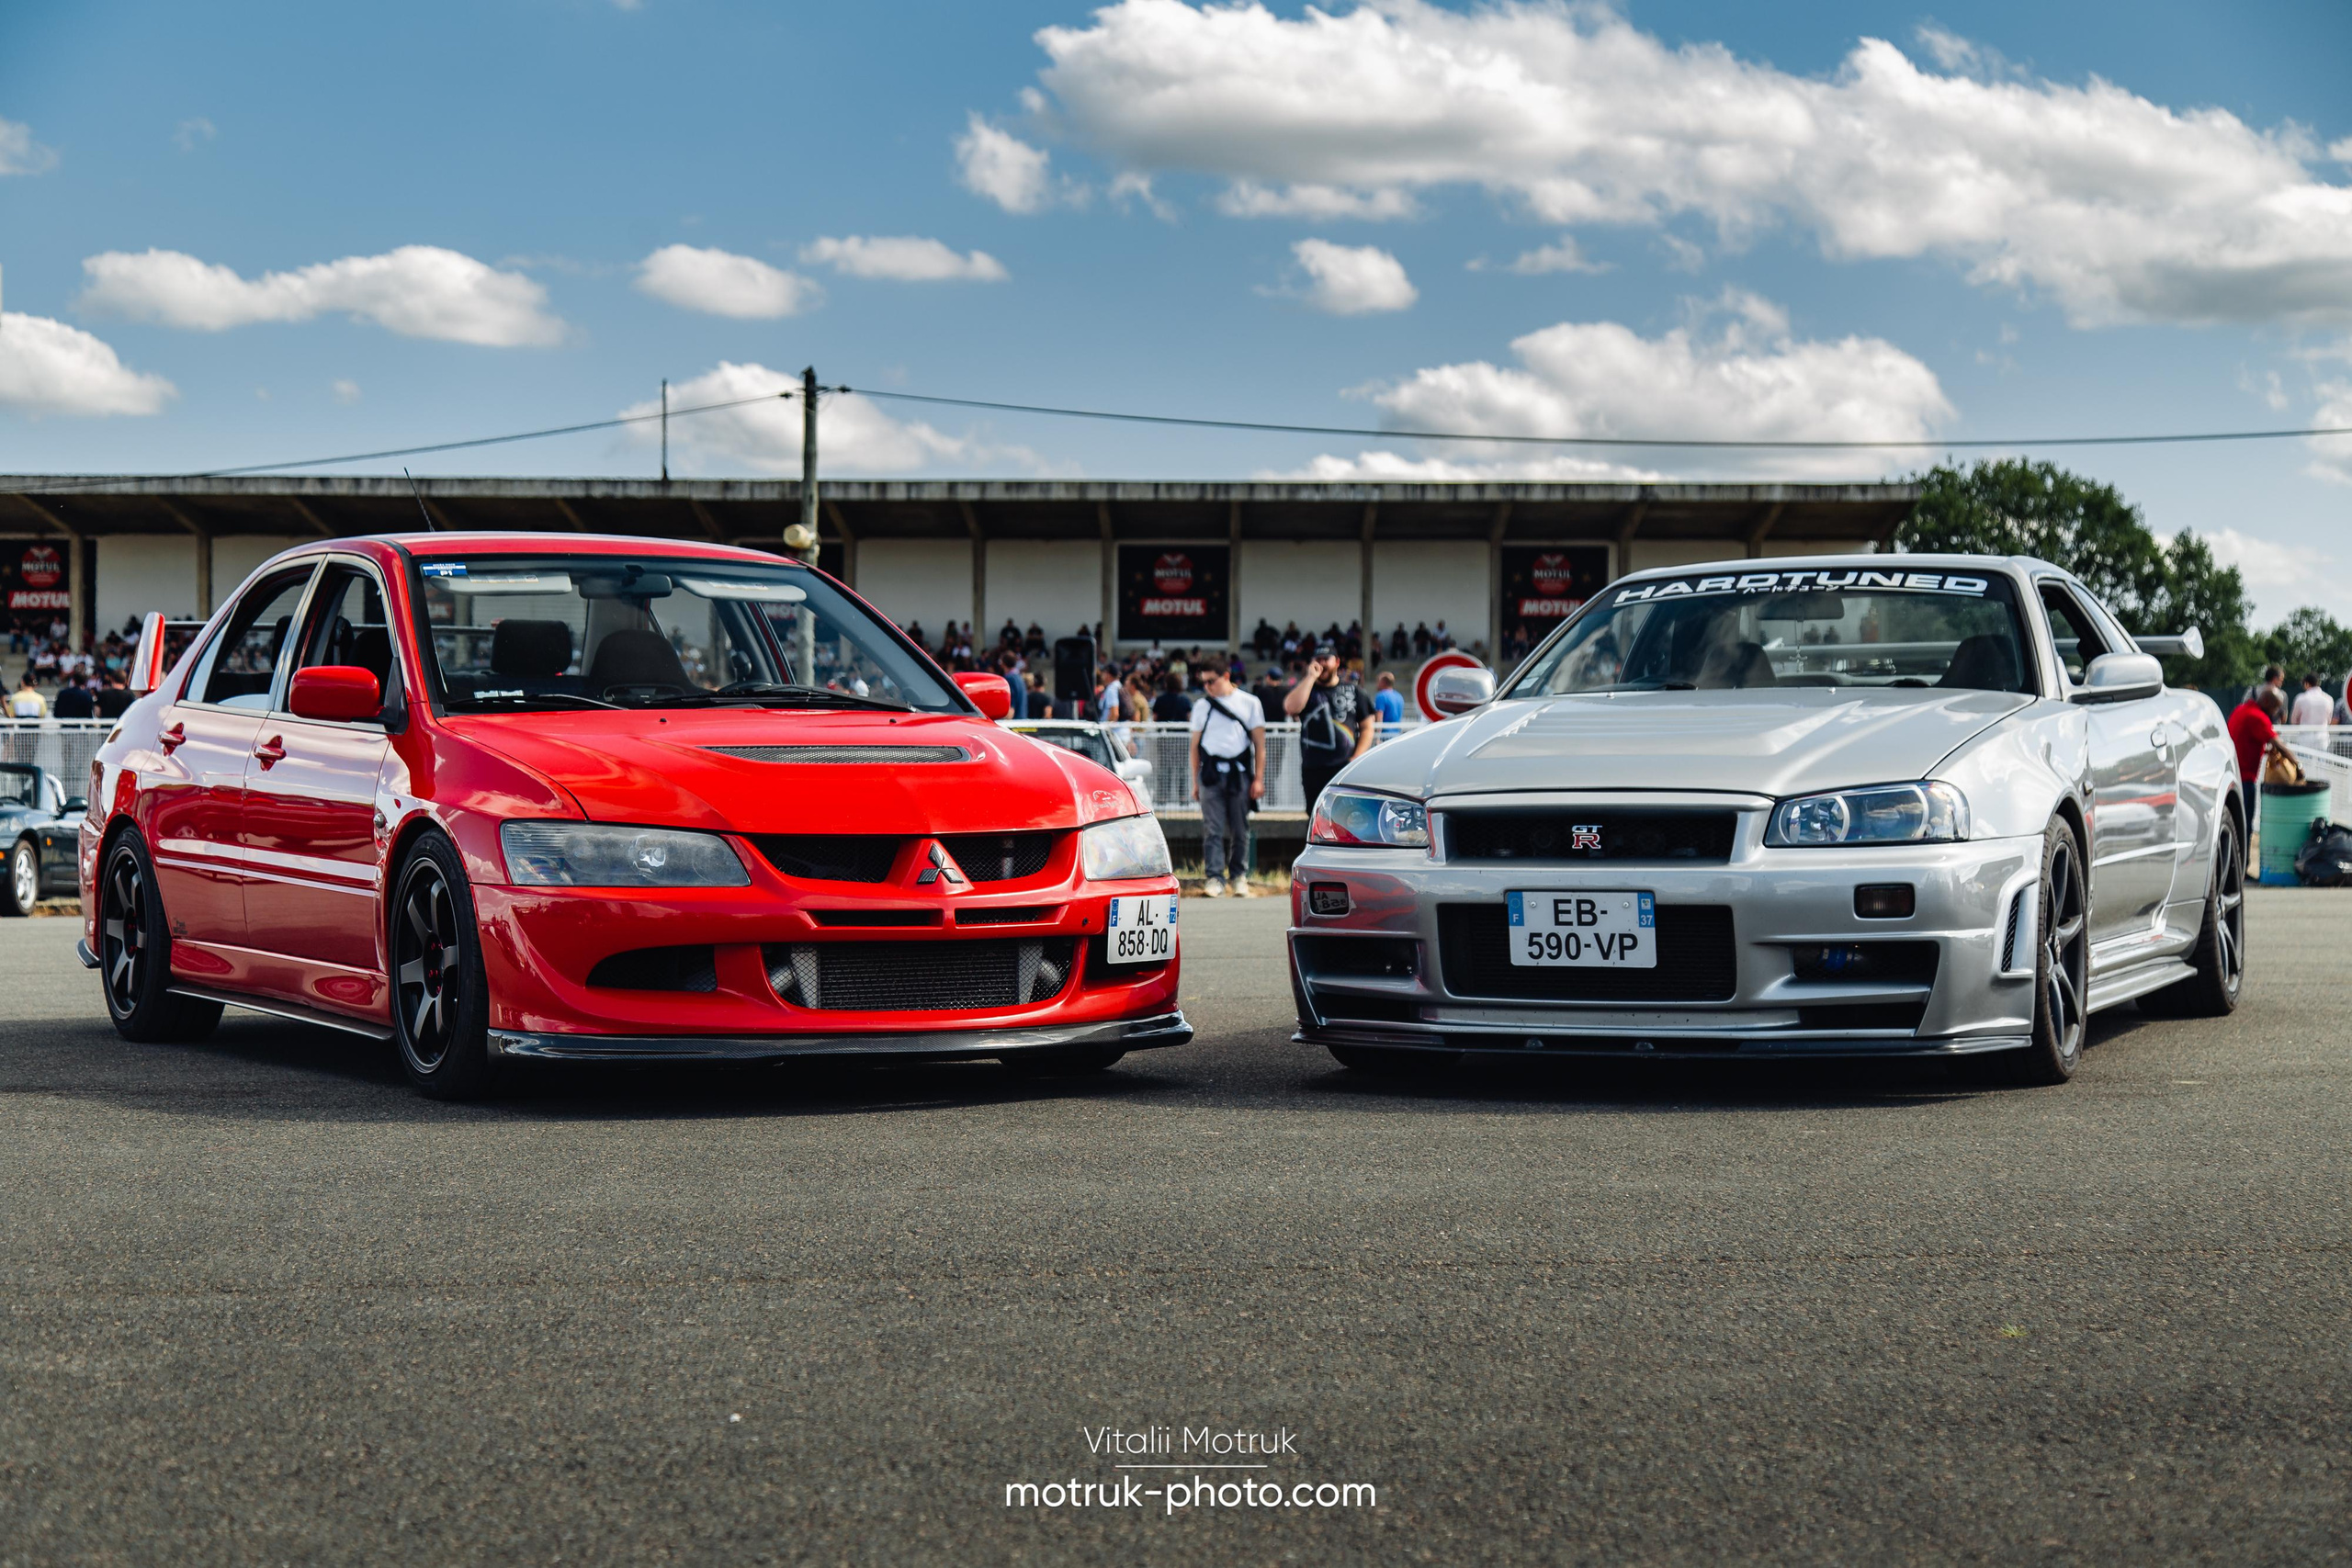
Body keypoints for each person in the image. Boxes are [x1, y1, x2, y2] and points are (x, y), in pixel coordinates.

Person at [1190, 663, 1266, 897]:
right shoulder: (1202, 705)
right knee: (1212, 829)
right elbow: (1194, 746)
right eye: (1204, 682)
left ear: (1226, 676)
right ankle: (1214, 877)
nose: (1207, 687)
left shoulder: (1249, 702)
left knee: (1240, 827)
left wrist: (1259, 778)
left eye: (1211, 681)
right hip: (1211, 773)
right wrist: (1195, 781)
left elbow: (1260, 744)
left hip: (1239, 772)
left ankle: (1238, 876)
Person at [1284, 641, 1375, 808]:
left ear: (1337, 662)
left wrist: (1356, 758)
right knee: (1315, 814)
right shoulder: (1307, 689)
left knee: (1346, 815)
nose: (1322, 664)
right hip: (1313, 767)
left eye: (1326, 659)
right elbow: (1290, 708)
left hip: (1344, 767)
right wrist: (1310, 677)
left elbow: (1367, 726)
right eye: (1318, 659)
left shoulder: (1353, 690)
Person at [2229, 685, 2285, 826]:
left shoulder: (2240, 710)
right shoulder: (2258, 717)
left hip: (2232, 777)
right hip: (2245, 780)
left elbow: (2243, 742)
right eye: (2275, 707)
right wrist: (2298, 766)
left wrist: (2264, 752)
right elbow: (2278, 744)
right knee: (2246, 825)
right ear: (2266, 701)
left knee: (2235, 826)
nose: (2276, 712)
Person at [1371, 670, 1405, 740]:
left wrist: (1377, 737)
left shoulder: (1381, 696)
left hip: (1385, 735)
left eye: (1378, 681)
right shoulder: (1399, 696)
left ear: (1383, 682)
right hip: (1397, 734)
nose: (1377, 684)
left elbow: (1380, 717)